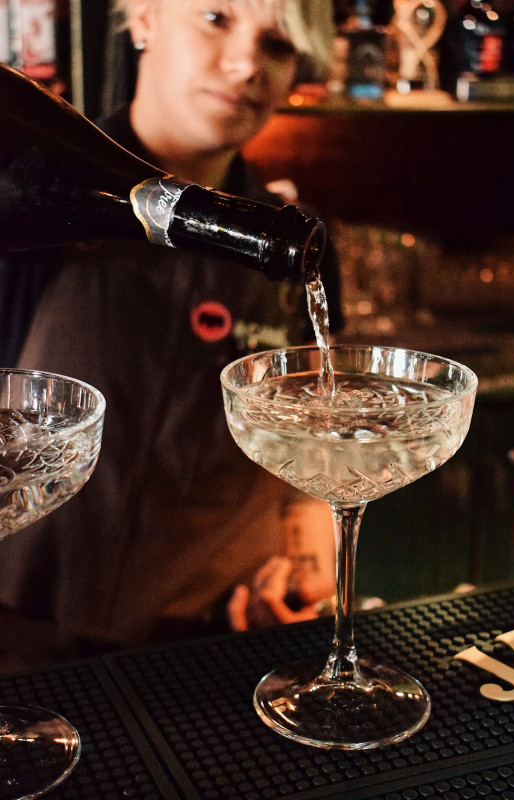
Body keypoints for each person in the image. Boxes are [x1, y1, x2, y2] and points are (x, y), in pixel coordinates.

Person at [0, 0, 343, 674]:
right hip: (22, 646)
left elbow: (316, 443)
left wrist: (306, 577)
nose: (246, 64)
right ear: (145, 18)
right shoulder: (27, 201)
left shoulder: (292, 244)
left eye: (277, 44)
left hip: (216, 650)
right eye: (216, 17)